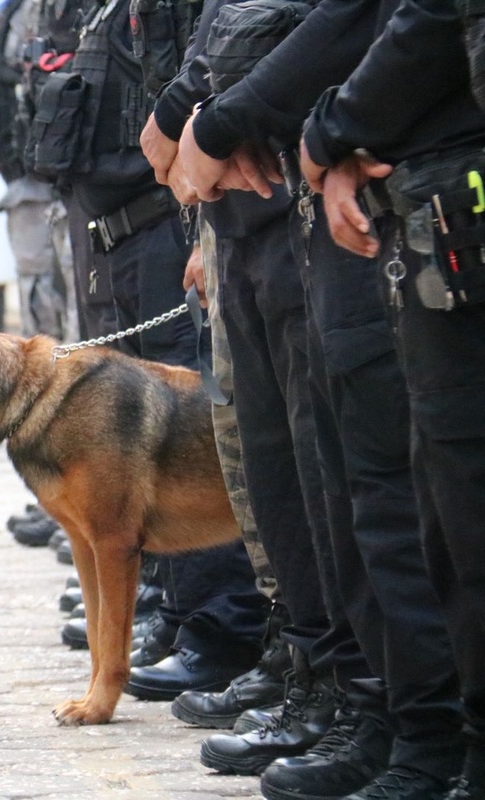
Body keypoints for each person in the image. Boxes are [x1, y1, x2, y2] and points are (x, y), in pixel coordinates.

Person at [170, 0, 467, 795]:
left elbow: (381, 22)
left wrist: (327, 131)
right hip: (331, 194)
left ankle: (428, 737)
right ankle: (384, 715)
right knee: (340, 489)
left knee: (401, 498)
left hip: (389, 193)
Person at [24, 0, 269, 698]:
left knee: (187, 441)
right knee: (132, 467)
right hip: (118, 235)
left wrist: (203, 234)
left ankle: (220, 629)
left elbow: (203, 92)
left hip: (167, 225)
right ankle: (173, 611)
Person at [297, 1, 485, 795]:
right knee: (430, 503)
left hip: (441, 194)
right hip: (413, 190)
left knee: (448, 499)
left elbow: (422, 23)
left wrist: (330, 133)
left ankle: (439, 742)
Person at [0, 0, 80, 550]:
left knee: (68, 343)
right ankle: (56, 493)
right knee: (47, 337)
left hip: (58, 189)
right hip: (29, 182)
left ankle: (72, 494)